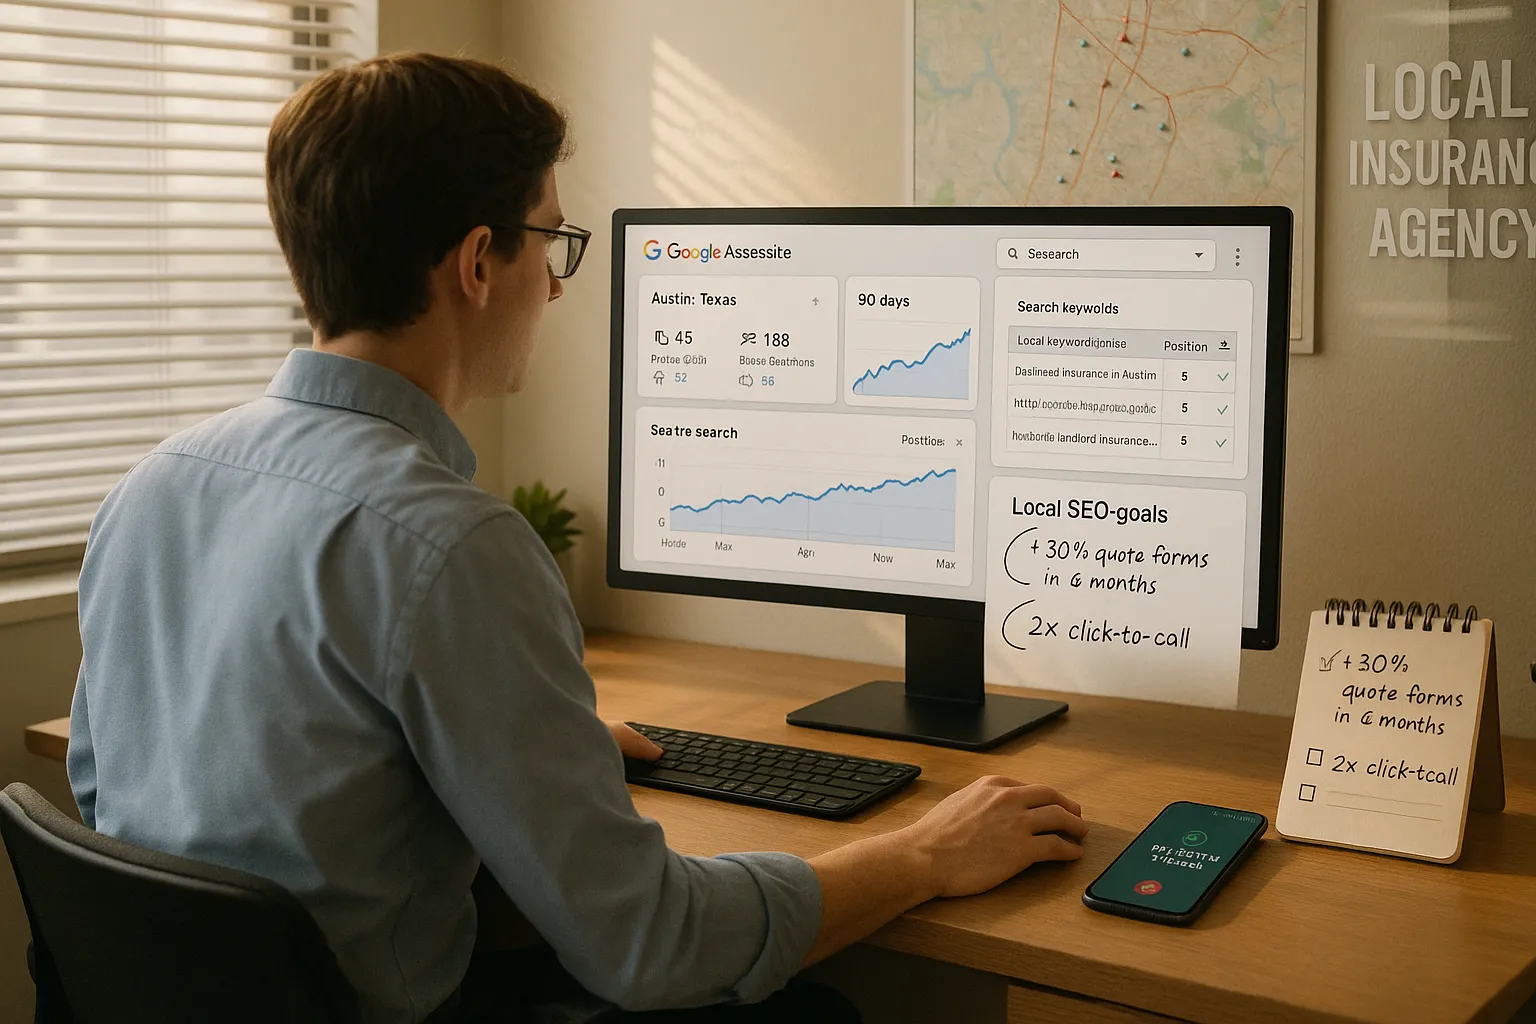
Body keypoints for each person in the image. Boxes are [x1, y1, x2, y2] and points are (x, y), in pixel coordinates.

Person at [66, 53, 1089, 1024]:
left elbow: (108, 795)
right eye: (551, 243)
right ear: (478, 262)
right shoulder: (449, 544)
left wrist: (490, 757)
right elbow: (651, 946)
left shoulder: (154, 483)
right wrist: (923, 854)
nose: (556, 287)